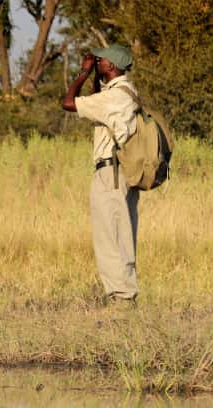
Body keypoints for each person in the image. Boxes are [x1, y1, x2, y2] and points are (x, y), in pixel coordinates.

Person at [61, 44, 143, 305]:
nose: (95, 63)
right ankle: (125, 294)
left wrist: (83, 74)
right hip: (123, 171)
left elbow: (68, 103)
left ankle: (121, 298)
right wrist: (95, 77)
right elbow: (98, 105)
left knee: (109, 235)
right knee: (122, 233)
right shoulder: (125, 92)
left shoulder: (113, 98)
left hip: (111, 172)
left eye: (99, 61)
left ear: (110, 66)